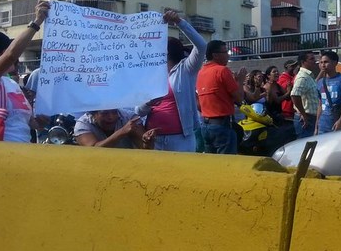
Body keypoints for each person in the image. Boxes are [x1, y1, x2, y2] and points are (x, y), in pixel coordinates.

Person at [135, 10, 206, 152]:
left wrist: (180, 23)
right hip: (153, 138)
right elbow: (138, 111)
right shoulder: (151, 75)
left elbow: (202, 45)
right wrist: (149, 103)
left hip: (181, 139)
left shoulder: (186, 70)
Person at [0, 0, 50, 142]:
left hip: (21, 156)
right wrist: (37, 22)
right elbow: (11, 55)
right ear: (4, 52)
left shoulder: (12, 84)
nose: (16, 59)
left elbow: (30, 123)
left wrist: (41, 122)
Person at [196, 40, 247, 154]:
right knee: (227, 165)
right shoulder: (222, 71)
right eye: (225, 52)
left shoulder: (201, 72)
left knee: (212, 165)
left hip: (206, 125)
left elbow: (199, 104)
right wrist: (240, 81)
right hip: (222, 126)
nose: (228, 55)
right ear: (215, 55)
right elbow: (239, 99)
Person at [315, 50, 341, 135]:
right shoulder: (320, 82)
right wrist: (316, 126)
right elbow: (320, 104)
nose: (323, 65)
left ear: (335, 63)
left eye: (326, 62)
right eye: (321, 62)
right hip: (322, 125)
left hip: (337, 124)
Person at [74, 109, 156, 148]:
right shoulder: (82, 125)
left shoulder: (130, 118)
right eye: (105, 113)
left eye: (114, 112)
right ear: (93, 115)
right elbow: (93, 150)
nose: (111, 117)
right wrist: (121, 132)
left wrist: (148, 141)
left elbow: (145, 148)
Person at [290, 51, 319, 139]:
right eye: (311, 59)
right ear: (303, 62)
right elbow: (294, 95)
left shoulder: (309, 76)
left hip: (311, 118)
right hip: (306, 119)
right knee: (305, 147)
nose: (315, 61)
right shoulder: (302, 77)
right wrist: (304, 114)